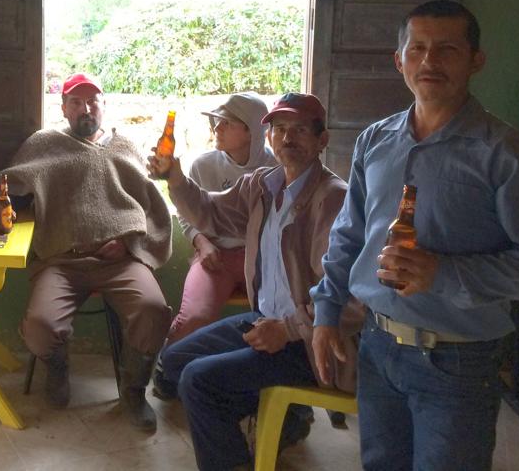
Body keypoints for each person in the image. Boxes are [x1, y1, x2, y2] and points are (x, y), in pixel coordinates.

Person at [311, 0, 519, 471]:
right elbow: (349, 234)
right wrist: (326, 311)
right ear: (400, 61)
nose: (429, 62)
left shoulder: (509, 155)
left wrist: (442, 273)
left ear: (476, 60)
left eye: (447, 49)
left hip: (458, 363)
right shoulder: (375, 140)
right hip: (377, 346)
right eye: (417, 49)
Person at [149, 92, 362, 471]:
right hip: (264, 319)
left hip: (310, 340)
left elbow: (352, 299)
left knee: (200, 382)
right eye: (279, 129)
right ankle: (284, 418)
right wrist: (176, 178)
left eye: (299, 129)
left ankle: (243, 453)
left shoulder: (334, 200)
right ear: (268, 139)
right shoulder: (262, 185)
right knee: (177, 359)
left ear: (321, 140)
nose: (287, 138)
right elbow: (211, 214)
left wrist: (288, 329)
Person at [0, 72, 172, 430]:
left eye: (93, 102)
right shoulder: (44, 143)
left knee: (153, 311)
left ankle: (134, 391)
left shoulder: (124, 146)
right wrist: (10, 203)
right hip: (62, 260)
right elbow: (8, 184)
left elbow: (150, 205)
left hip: (120, 259)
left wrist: (131, 242)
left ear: (104, 106)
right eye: (76, 102)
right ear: (64, 108)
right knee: (40, 326)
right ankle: (57, 368)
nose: (85, 109)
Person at [168, 92, 277, 343]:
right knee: (194, 318)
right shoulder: (202, 165)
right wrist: (201, 242)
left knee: (276, 316)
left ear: (251, 131)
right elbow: (187, 214)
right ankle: (167, 366)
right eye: (216, 121)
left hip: (263, 260)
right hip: (215, 256)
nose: (217, 127)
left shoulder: (276, 167)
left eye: (227, 122)